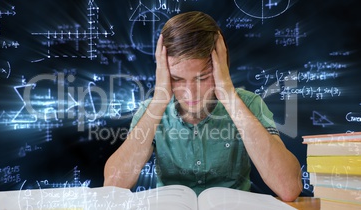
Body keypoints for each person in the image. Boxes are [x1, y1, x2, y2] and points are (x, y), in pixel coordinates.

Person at [103, 11, 303, 201]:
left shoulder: (249, 104)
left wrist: (228, 95)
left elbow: (288, 187)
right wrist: (159, 100)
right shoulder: (151, 110)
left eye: (202, 77)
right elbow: (113, 185)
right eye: (177, 79)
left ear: (221, 69)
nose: (190, 92)